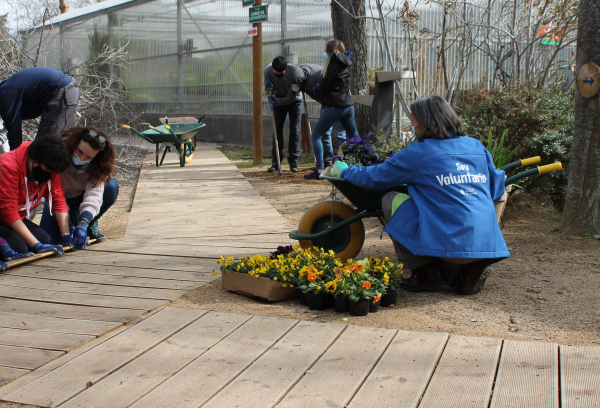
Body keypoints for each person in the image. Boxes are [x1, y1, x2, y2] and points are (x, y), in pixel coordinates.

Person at [340, 95, 510, 295]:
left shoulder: (418, 153)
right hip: (486, 244)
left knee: (390, 199)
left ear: (425, 122)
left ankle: (426, 272)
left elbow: (375, 177)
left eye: (412, 120)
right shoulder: (476, 147)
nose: (412, 125)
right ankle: (470, 268)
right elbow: (497, 188)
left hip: (452, 245)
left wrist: (344, 171)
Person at [40, 127, 118, 246]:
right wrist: (68, 228)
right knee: (49, 240)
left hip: (81, 197)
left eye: (88, 157)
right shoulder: (59, 153)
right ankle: (73, 222)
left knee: (111, 187)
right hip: (57, 199)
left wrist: (83, 223)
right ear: (75, 144)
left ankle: (89, 223)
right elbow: (54, 193)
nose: (81, 159)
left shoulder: (98, 166)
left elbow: (94, 196)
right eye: (80, 152)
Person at [0, 136, 71, 256]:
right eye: (48, 169)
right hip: (4, 216)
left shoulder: (49, 166)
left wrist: (66, 237)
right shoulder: (7, 166)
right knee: (20, 247)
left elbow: (57, 198)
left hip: (18, 217)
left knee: (47, 241)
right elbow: (8, 211)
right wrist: (37, 245)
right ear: (34, 160)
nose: (51, 174)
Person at [305, 40, 360, 180]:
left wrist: (315, 89)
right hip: (347, 105)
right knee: (354, 137)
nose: (325, 52)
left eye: (326, 49)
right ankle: (360, 163)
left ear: (331, 50)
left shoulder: (333, 64)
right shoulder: (348, 62)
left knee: (316, 135)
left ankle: (319, 169)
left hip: (334, 106)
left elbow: (325, 85)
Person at [0, 67, 79, 151]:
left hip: (62, 92)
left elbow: (14, 133)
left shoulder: (5, 96)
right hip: (66, 90)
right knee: (63, 146)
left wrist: (14, 158)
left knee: (43, 148)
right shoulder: (6, 90)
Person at [299, 63, 346, 167]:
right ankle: (328, 160)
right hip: (327, 104)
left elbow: (325, 90)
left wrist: (314, 90)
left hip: (338, 102)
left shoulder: (318, 76)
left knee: (339, 135)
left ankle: (344, 163)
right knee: (324, 133)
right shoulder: (300, 74)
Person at [263, 56, 304, 173]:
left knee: (295, 130)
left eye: (282, 72)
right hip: (278, 99)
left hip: (295, 100)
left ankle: (293, 162)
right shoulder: (267, 71)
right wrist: (268, 91)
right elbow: (267, 89)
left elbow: (291, 98)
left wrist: (276, 101)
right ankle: (276, 161)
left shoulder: (295, 72)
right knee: (277, 129)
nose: (279, 74)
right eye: (277, 72)